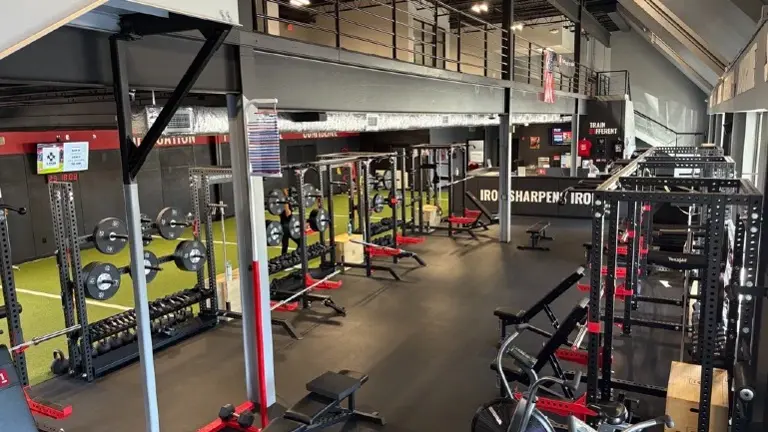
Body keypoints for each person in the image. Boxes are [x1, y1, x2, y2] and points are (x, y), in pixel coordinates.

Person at [280, 188, 303, 255]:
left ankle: (288, 258)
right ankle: (294, 256)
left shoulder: (285, 201)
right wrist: (285, 196)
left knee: (285, 246)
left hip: (285, 226)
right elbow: (288, 213)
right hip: (287, 227)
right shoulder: (284, 202)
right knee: (300, 243)